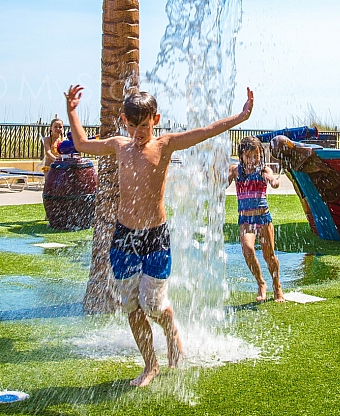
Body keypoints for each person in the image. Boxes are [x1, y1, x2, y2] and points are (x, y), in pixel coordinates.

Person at [65, 84, 254, 388]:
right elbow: (82, 144)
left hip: (155, 237)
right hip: (124, 237)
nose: (138, 132)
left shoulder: (165, 145)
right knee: (132, 306)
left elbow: (205, 131)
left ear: (155, 119)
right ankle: (150, 365)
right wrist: (72, 110)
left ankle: (171, 327)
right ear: (124, 122)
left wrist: (240, 117)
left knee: (153, 305)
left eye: (143, 125)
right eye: (132, 125)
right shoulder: (118, 146)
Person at [228, 135, 285, 303]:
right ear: (241, 156)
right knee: (247, 249)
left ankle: (277, 286)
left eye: (256, 156)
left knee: (270, 256)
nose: (252, 160)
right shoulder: (236, 170)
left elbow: (271, 179)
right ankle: (261, 283)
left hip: (263, 218)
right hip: (245, 220)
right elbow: (222, 183)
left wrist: (274, 182)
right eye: (248, 156)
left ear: (261, 155)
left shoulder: (263, 170)